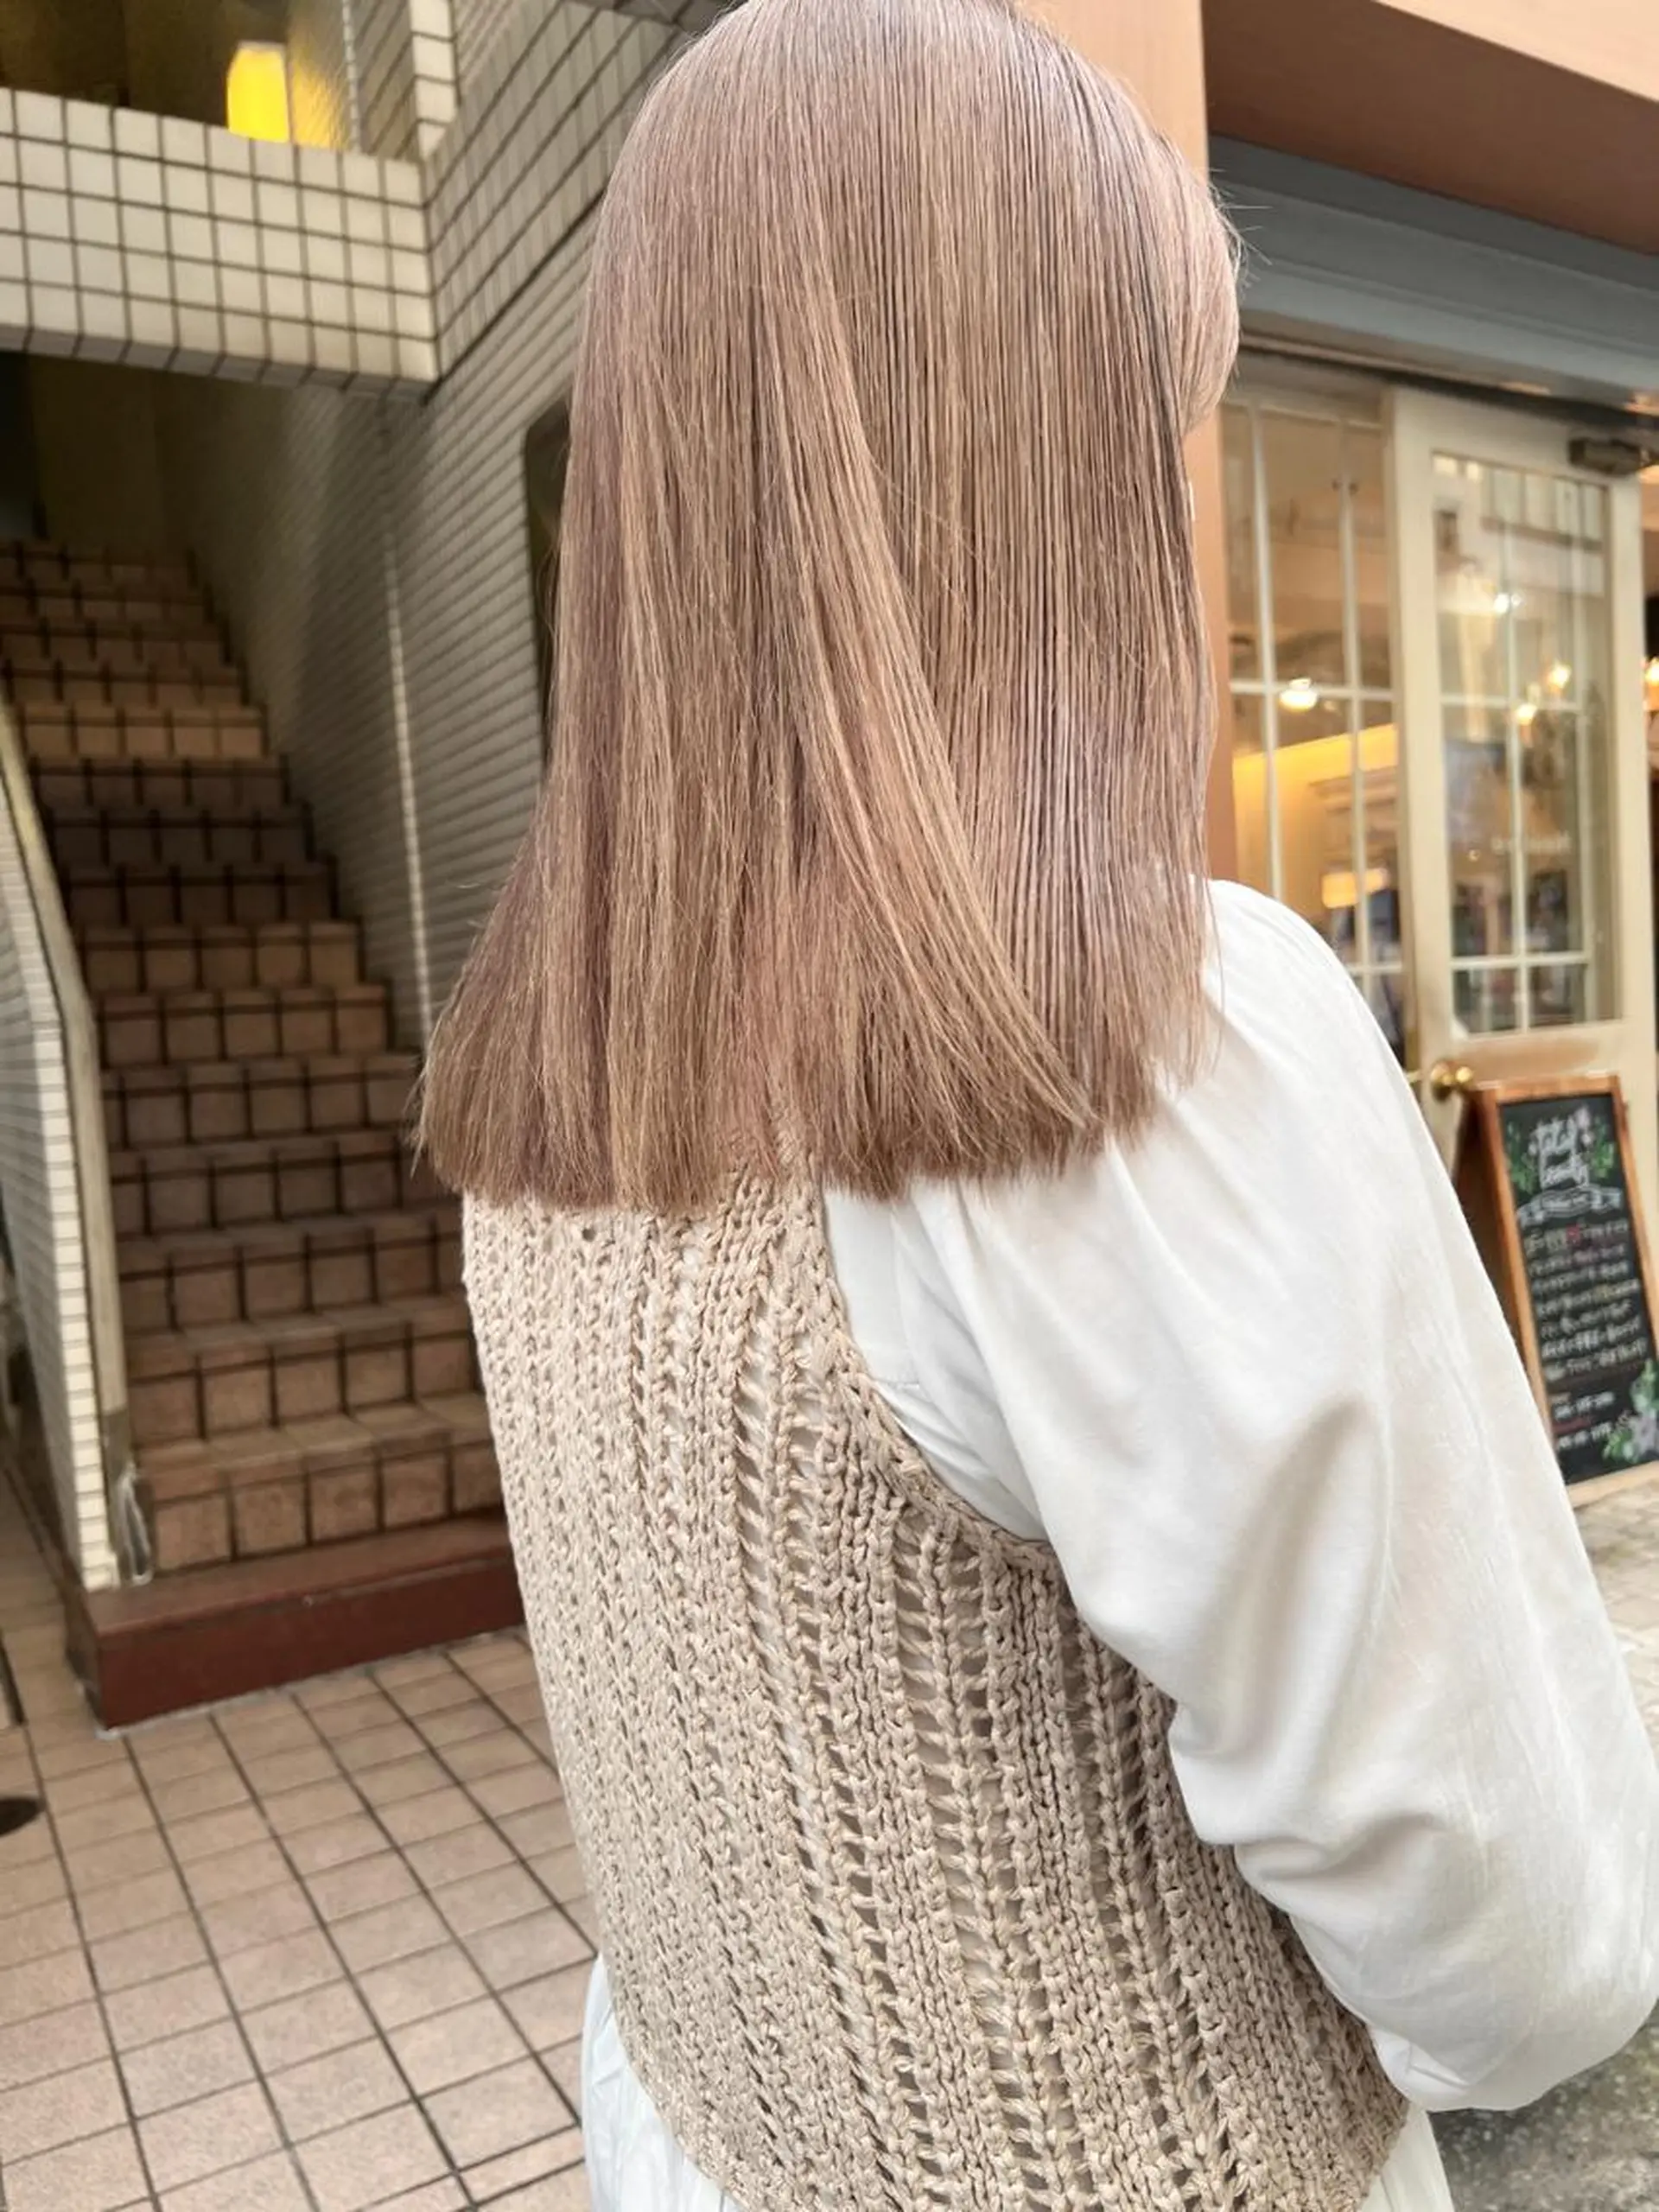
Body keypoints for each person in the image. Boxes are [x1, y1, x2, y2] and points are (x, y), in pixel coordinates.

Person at [421, 1, 1659, 2205]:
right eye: (1149, 421)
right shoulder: (1135, 1064)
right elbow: (1523, 1939)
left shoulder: (542, 1075)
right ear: (1041, 470)